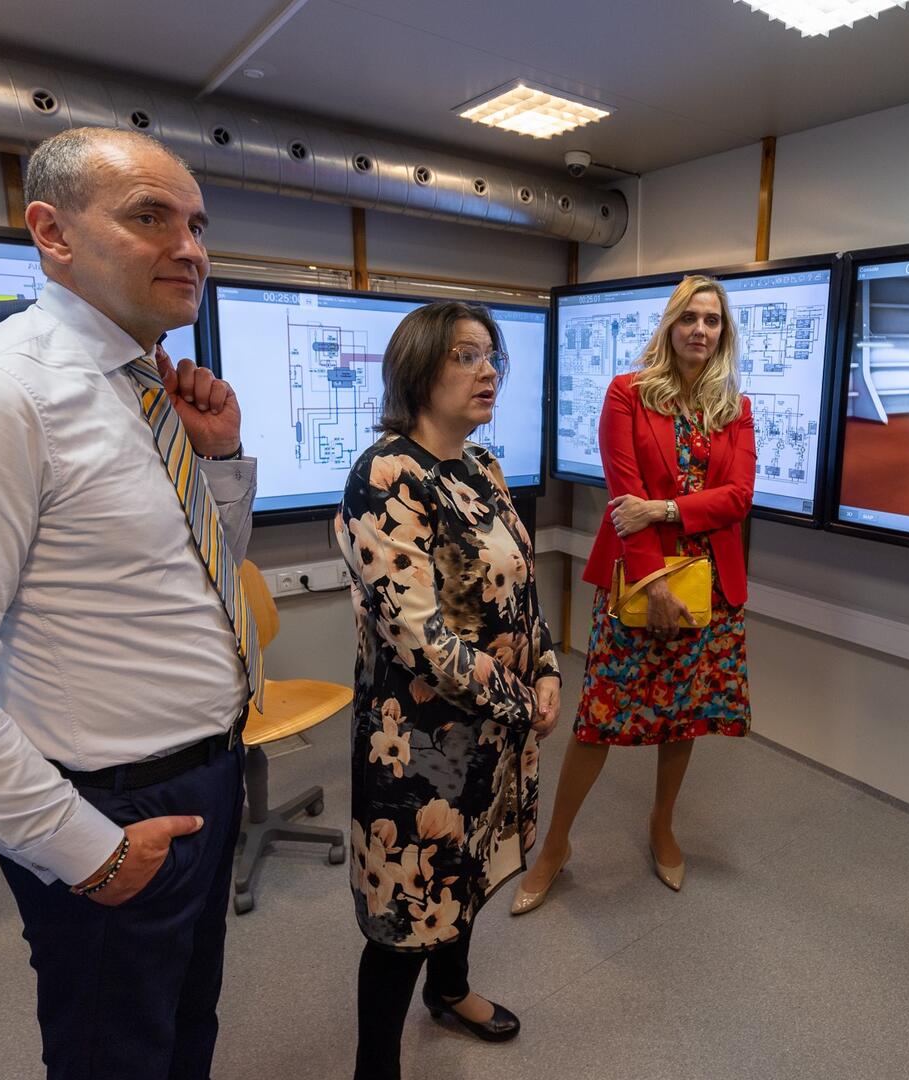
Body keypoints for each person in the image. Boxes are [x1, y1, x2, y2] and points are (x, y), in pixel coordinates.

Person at [0, 126, 258, 1080]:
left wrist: (220, 461)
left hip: (210, 774)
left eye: (197, 224)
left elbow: (192, 580)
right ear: (52, 232)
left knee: (184, 1035)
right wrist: (88, 853)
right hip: (108, 805)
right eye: (150, 217)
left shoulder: (148, 391)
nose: (189, 248)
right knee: (113, 1056)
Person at [334, 300, 562, 1080]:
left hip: (491, 734)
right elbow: (417, 637)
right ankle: (375, 1069)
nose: (488, 369)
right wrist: (521, 700)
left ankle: (451, 990)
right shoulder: (385, 475)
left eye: (491, 355)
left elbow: (520, 590)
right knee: (407, 912)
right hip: (420, 742)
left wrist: (547, 668)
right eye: (466, 355)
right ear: (419, 368)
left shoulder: (481, 466)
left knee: (467, 876)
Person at [513, 274, 755, 914]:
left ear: (723, 332)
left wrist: (666, 508)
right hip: (638, 579)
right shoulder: (627, 394)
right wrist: (655, 582)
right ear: (670, 326)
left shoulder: (735, 408)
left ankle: (661, 825)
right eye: (689, 318)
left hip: (711, 588)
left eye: (712, 320)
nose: (700, 330)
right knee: (599, 718)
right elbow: (625, 502)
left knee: (685, 714)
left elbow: (738, 498)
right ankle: (556, 846)